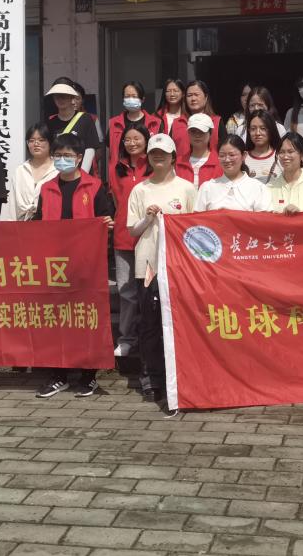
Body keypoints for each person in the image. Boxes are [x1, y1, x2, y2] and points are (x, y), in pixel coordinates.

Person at [34, 134, 115, 399]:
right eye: (58, 156)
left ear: (79, 158)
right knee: (55, 320)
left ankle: (88, 376)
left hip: (86, 266)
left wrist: (107, 225)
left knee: (86, 319)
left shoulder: (95, 186)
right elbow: (37, 224)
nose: (62, 160)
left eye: (67, 156)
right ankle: (58, 375)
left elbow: (106, 219)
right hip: (54, 265)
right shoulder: (47, 188)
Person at [126, 133, 197, 413]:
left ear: (173, 158)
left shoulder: (187, 189)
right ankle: (151, 377)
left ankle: (177, 376)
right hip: (148, 265)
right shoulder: (140, 190)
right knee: (150, 323)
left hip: (178, 266)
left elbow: (195, 228)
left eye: (163, 154)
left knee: (178, 322)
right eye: (154, 153)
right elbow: (132, 230)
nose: (158, 158)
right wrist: (148, 218)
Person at [109, 122, 152, 360]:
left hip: (149, 237)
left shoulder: (154, 164)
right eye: (127, 139)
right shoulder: (117, 168)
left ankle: (149, 337)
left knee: (149, 291)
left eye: (137, 139)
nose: (132, 143)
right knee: (126, 291)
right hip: (124, 237)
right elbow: (117, 200)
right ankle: (126, 339)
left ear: (146, 140)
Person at [196, 135, 272, 212]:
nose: (227, 160)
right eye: (222, 155)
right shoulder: (207, 188)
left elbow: (264, 218)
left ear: (244, 155)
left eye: (232, 155)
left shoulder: (258, 188)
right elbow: (197, 218)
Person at [107, 81, 160, 182]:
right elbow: (111, 150)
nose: (130, 99)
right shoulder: (114, 123)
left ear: (142, 99)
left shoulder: (155, 123)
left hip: (149, 177)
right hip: (120, 177)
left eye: (134, 96)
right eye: (127, 96)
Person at [44, 79, 101, 173]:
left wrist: (82, 174)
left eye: (64, 96)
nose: (60, 99)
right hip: (57, 175)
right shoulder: (49, 122)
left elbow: (90, 149)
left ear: (72, 97)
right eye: (57, 96)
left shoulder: (85, 119)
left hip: (81, 174)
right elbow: (49, 152)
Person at [10, 124, 57, 221]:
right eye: (31, 140)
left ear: (50, 142)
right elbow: (12, 204)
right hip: (22, 224)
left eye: (41, 140)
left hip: (50, 223)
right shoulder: (20, 170)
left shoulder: (58, 170)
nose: (36, 144)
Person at [176, 113, 221, 189]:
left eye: (201, 131)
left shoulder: (220, 162)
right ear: (188, 133)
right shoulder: (178, 163)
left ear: (210, 134)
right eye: (193, 131)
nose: (197, 135)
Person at [244, 111, 282, 185]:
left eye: (263, 128)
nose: (257, 133)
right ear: (248, 131)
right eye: (253, 129)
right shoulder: (242, 158)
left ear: (271, 130)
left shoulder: (281, 156)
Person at [184, 80, 223, 153]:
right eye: (189, 95)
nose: (193, 99)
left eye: (196, 94)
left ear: (206, 97)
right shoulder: (177, 122)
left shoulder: (217, 122)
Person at [157, 78, 189, 157]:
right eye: (168, 91)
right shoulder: (155, 117)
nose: (172, 94)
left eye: (176, 91)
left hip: (184, 160)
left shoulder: (189, 118)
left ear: (183, 93)